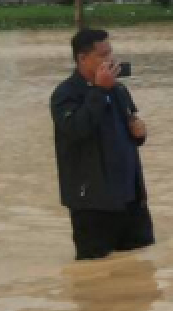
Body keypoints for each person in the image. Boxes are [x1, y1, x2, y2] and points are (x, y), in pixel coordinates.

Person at [51, 28, 155, 261]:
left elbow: (130, 128)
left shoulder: (118, 89)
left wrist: (140, 132)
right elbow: (77, 130)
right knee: (93, 274)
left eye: (111, 53)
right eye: (103, 55)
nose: (110, 60)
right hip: (92, 204)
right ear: (82, 58)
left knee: (141, 270)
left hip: (131, 199)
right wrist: (99, 90)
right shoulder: (65, 94)